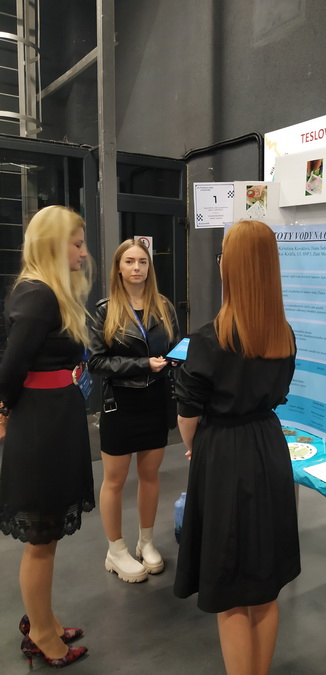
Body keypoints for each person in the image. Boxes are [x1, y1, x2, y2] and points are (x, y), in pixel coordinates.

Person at [174, 220, 301, 675]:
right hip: (269, 448)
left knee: (228, 592)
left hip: (224, 454)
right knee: (265, 587)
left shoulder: (209, 339)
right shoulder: (284, 335)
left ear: (230, 265)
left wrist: (198, 449)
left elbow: (187, 415)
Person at [0, 205, 94, 668]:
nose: (83, 252)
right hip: (41, 427)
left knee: (48, 536)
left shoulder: (47, 294)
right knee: (41, 540)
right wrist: (8, 412)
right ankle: (39, 631)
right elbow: (10, 371)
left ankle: (44, 618)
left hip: (53, 421)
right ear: (55, 246)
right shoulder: (38, 295)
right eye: (76, 243)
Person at [88, 238, 179, 583]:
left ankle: (146, 542)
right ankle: (116, 550)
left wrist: (176, 361)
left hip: (155, 401)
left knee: (151, 475)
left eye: (142, 261)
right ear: (118, 268)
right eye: (129, 261)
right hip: (120, 403)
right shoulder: (105, 310)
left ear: (149, 267)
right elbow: (97, 362)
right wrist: (143, 364)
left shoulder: (163, 307)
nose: (137, 267)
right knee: (114, 480)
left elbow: (176, 348)